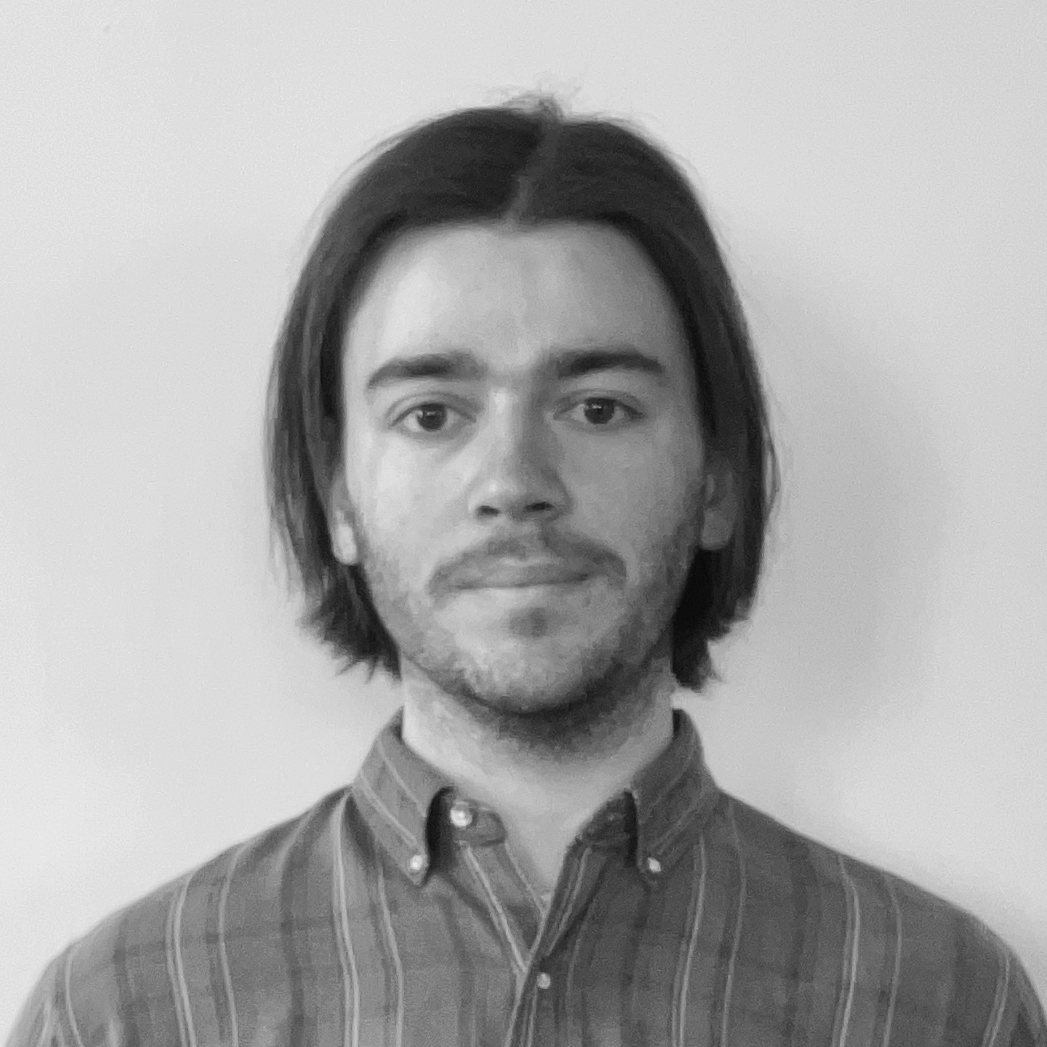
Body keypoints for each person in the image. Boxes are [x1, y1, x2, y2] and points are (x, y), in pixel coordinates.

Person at [8, 95, 1045, 1047]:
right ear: (338, 501)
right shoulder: (125, 1011)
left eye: (597, 407)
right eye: (431, 414)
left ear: (718, 479)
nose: (514, 482)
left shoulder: (942, 1003)